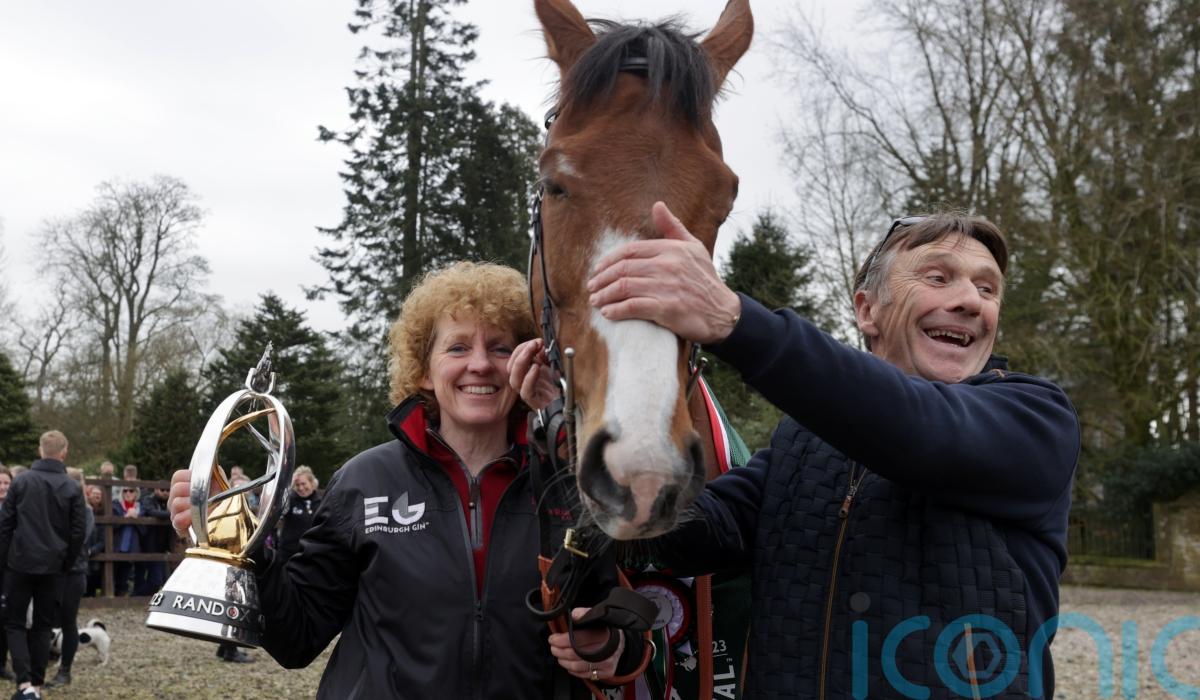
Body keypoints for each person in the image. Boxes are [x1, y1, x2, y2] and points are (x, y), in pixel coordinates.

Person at [514, 205, 1080, 698]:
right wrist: (575, 427)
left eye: (988, 289)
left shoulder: (1036, 419)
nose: (970, 301)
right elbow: (690, 533)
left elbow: (918, 429)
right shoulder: (803, 439)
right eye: (939, 277)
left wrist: (733, 321)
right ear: (867, 311)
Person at [169, 261, 644, 697]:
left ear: (527, 363)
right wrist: (245, 549)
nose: (480, 364)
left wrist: (611, 648)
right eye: (458, 347)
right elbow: (298, 637)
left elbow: (618, 622)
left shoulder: (569, 486)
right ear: (423, 371)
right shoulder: (365, 480)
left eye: (500, 348)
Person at [0, 431, 87, 700]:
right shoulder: (72, 488)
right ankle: (37, 684)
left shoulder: (21, 481)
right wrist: (66, 563)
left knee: (14, 624)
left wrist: (4, 562)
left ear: (40, 450)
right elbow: (78, 532)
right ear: (64, 452)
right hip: (54, 566)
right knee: (43, 625)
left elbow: (5, 525)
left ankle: (24, 682)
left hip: (20, 563)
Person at [46, 468, 93, 688]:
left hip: (73, 571)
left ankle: (65, 670)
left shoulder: (86, 511)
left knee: (68, 621)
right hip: (56, 570)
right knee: (50, 618)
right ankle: (50, 658)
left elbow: (79, 539)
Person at [275, 466, 320, 561]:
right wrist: (289, 485)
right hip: (288, 554)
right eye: (297, 485)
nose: (301, 488)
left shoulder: (320, 502)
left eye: (303, 484)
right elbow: (278, 509)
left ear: (312, 483)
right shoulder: (290, 500)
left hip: (312, 554)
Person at [135, 485, 171, 596]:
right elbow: (152, 512)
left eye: (167, 490)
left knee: (158, 580)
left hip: (161, 548)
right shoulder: (148, 500)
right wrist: (172, 514)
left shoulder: (169, 503)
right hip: (146, 545)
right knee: (144, 578)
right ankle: (134, 597)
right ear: (155, 490)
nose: (165, 492)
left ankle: (136, 597)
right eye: (162, 489)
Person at [110, 486, 142, 596]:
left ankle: (122, 596)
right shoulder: (115, 505)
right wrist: (126, 517)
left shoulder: (140, 508)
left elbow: (145, 530)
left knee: (124, 577)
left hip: (131, 548)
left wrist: (137, 519)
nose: (128, 493)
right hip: (116, 547)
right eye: (125, 491)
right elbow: (111, 526)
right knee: (112, 574)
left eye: (131, 491)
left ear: (136, 493)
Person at [82, 486, 105, 597]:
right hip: (80, 553)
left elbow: (103, 540)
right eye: (94, 493)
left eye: (99, 494)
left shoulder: (104, 513)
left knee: (92, 585)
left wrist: (91, 551)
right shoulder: (81, 510)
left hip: (94, 556)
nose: (97, 495)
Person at [0, 467, 11, 681]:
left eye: (6, 483)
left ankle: (1, 664)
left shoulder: (16, 508)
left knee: (4, 618)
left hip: (9, 570)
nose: (2, 487)